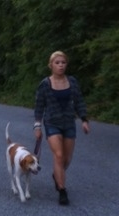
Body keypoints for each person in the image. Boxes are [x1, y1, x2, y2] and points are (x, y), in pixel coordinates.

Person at [34, 51, 90, 205]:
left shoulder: (72, 82)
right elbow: (39, 106)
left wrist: (84, 120)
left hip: (69, 123)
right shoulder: (45, 84)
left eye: (63, 63)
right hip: (52, 123)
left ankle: (57, 175)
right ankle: (62, 190)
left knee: (66, 158)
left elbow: (79, 101)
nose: (60, 65)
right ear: (51, 65)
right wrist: (37, 126)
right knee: (58, 155)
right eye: (57, 63)